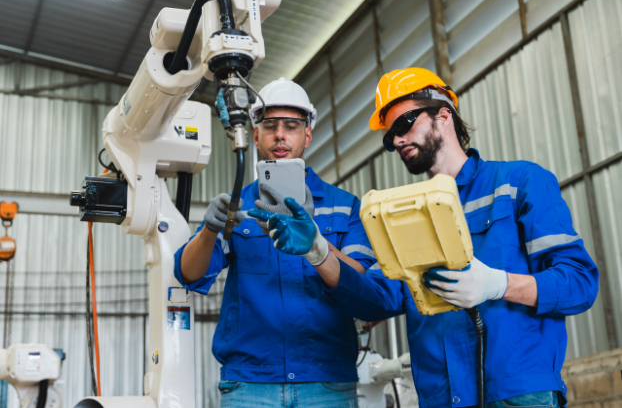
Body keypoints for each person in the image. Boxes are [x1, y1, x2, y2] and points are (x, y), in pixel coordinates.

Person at [249, 68, 599, 408]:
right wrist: (320, 251)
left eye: (404, 124)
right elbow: (377, 298)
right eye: (390, 137)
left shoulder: (517, 183)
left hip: (518, 395)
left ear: (443, 116)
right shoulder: (403, 214)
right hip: (441, 397)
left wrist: (498, 284)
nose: (397, 140)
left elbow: (579, 283)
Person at [174, 77, 376, 408]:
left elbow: (364, 284)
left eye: (292, 125)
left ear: (307, 135)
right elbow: (190, 274)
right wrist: (209, 230)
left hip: (326, 382)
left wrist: (317, 243)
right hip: (251, 385)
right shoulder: (238, 207)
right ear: (255, 134)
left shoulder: (344, 205)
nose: (280, 134)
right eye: (270, 125)